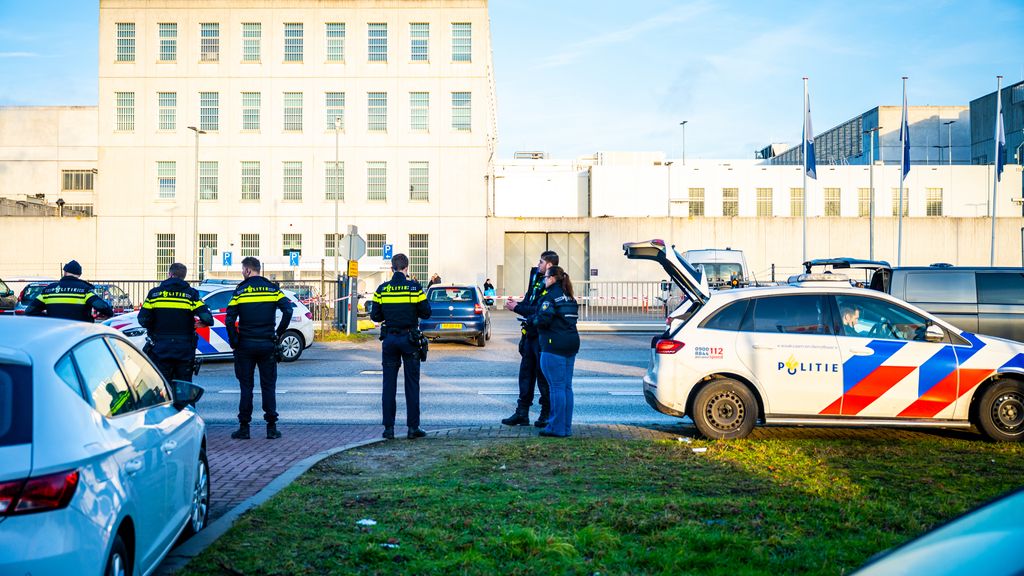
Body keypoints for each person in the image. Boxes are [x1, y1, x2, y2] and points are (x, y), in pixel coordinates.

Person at [226, 257, 294, 440]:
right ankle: (271, 428)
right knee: (268, 386)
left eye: (243, 269)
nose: (242, 272)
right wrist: (278, 333)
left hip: (245, 345)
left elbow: (229, 319)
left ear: (248, 270)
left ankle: (244, 428)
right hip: (267, 344)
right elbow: (288, 310)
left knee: (246, 387)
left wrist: (235, 341)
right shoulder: (273, 289)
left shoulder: (240, 291)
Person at [371, 253, 432, 440]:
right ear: (406, 268)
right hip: (409, 340)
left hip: (390, 339)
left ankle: (388, 429)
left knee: (388, 385)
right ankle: (413, 428)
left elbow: (375, 316)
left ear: (392, 268)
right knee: (412, 384)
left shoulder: (382, 289)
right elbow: (426, 313)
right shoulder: (414, 288)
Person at [501, 250, 558, 427]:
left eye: (541, 262)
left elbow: (539, 310)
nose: (538, 264)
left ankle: (545, 414)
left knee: (543, 377)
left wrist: (516, 308)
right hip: (530, 335)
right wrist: (516, 304)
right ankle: (522, 413)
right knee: (525, 374)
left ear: (549, 265)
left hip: (542, 336)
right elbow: (529, 302)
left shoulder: (553, 284)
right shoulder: (535, 278)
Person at [138, 262, 214, 383]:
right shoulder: (191, 294)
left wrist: (156, 325)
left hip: (160, 349)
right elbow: (208, 318)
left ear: (169, 274)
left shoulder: (154, 294)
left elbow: (142, 319)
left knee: (162, 386)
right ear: (184, 276)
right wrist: (203, 323)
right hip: (184, 350)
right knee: (184, 386)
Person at [532, 266, 580, 438]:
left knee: (556, 388)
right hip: (571, 344)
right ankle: (566, 427)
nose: (544, 280)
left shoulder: (550, 297)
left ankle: (556, 428)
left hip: (554, 345)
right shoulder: (570, 297)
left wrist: (531, 320)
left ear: (552, 278)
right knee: (566, 387)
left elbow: (543, 320)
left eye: (546, 277)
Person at [25, 260, 113, 322]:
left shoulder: (48, 290)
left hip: (54, 332)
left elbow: (29, 311)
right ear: (79, 274)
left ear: (65, 272)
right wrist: (106, 314)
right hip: (80, 333)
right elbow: (102, 306)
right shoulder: (84, 290)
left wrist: (49, 317)